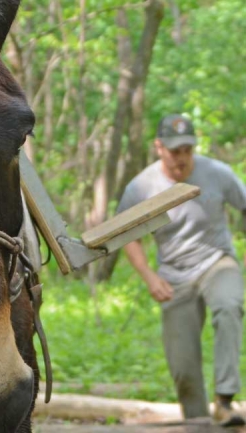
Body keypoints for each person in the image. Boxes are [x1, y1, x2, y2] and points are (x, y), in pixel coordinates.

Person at [118, 114, 246, 426]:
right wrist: (150, 276)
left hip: (216, 261)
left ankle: (226, 400)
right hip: (174, 275)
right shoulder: (143, 186)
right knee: (183, 365)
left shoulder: (216, 173)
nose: (182, 158)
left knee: (230, 304)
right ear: (159, 147)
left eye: (188, 150)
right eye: (175, 151)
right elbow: (126, 235)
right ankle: (199, 421)